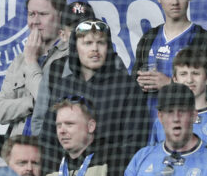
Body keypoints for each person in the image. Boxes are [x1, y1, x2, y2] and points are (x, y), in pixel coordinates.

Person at [29, 18, 146, 154]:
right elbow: (48, 138)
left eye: (101, 43)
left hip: (112, 171)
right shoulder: (62, 86)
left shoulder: (127, 87)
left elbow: (135, 142)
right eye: (88, 43)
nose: (95, 49)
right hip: (65, 172)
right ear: (75, 47)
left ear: (108, 47)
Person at [148, 47, 207, 169]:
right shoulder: (161, 120)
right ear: (175, 79)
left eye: (195, 73)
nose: (189, 80)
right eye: (183, 74)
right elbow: (151, 163)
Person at [0, 0, 68, 130]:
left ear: (61, 17)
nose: (35, 21)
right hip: (17, 147)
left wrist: (31, 61)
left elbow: (56, 107)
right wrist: (33, 102)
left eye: (42, 14)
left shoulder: (71, 56)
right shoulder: (19, 60)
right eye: (31, 14)